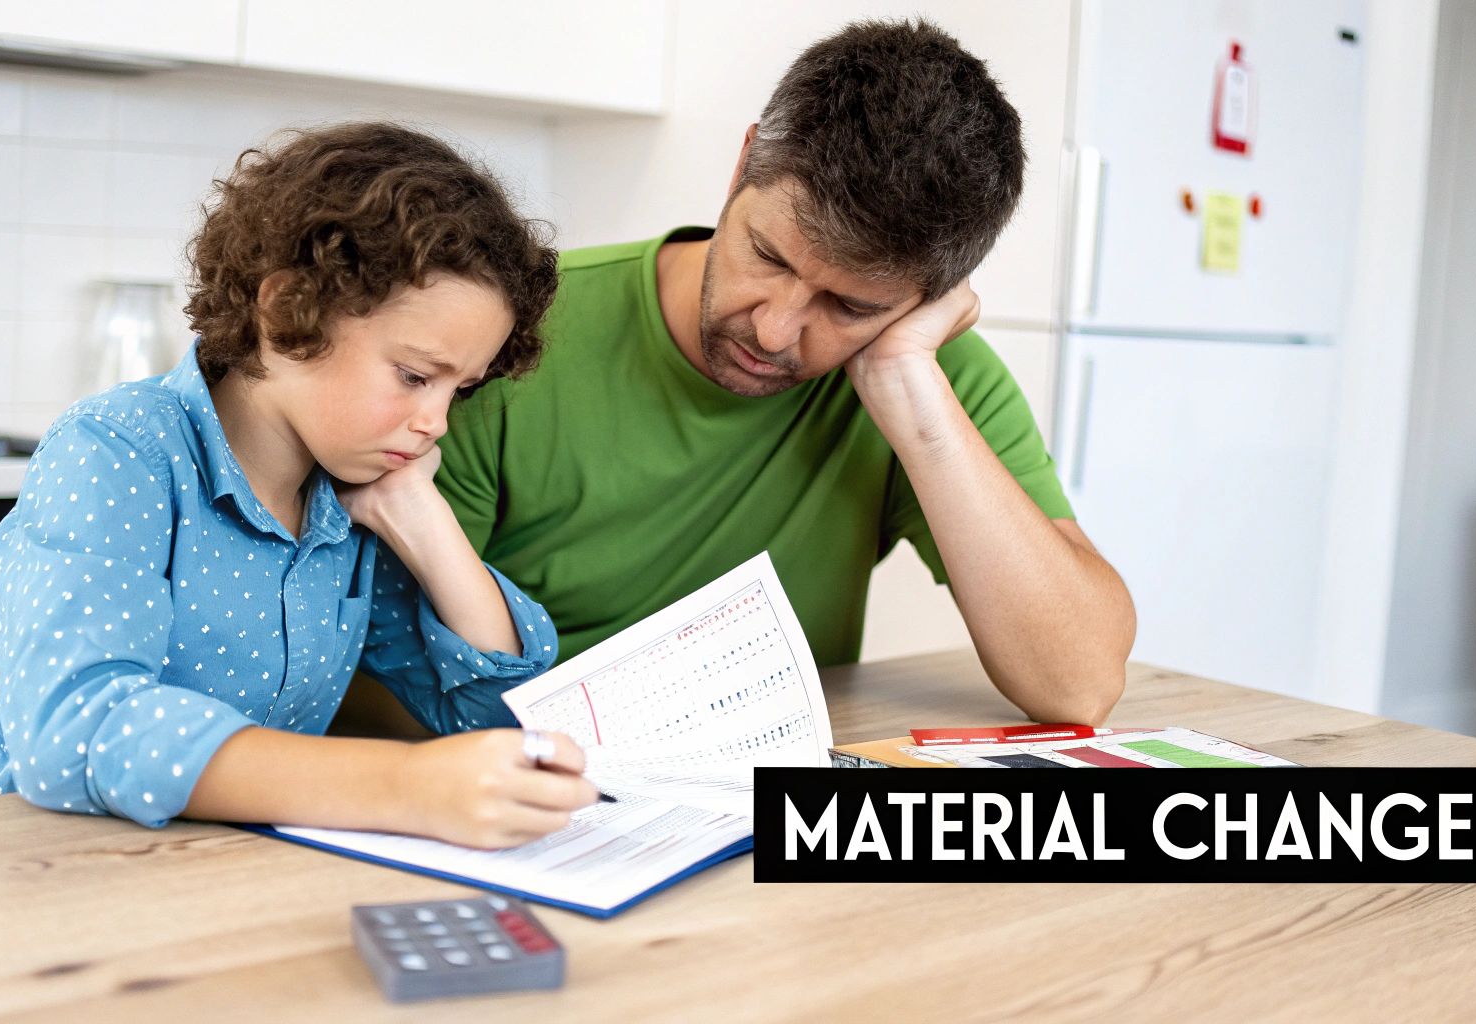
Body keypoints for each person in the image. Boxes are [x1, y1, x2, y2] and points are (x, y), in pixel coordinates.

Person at [436, 19, 1136, 725]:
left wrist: (911, 398)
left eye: (851, 305)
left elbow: (1078, 686)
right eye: (768, 256)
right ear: (744, 164)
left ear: (931, 297)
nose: (773, 331)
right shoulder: (503, 330)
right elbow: (396, 684)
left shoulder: (929, 376)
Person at [0, 123, 598, 848]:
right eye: (415, 376)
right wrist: (400, 785)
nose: (437, 423)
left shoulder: (347, 499)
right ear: (287, 310)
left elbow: (498, 714)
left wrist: (419, 513)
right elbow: (79, 729)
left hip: (229, 873)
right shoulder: (120, 450)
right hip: (43, 871)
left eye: (460, 390)